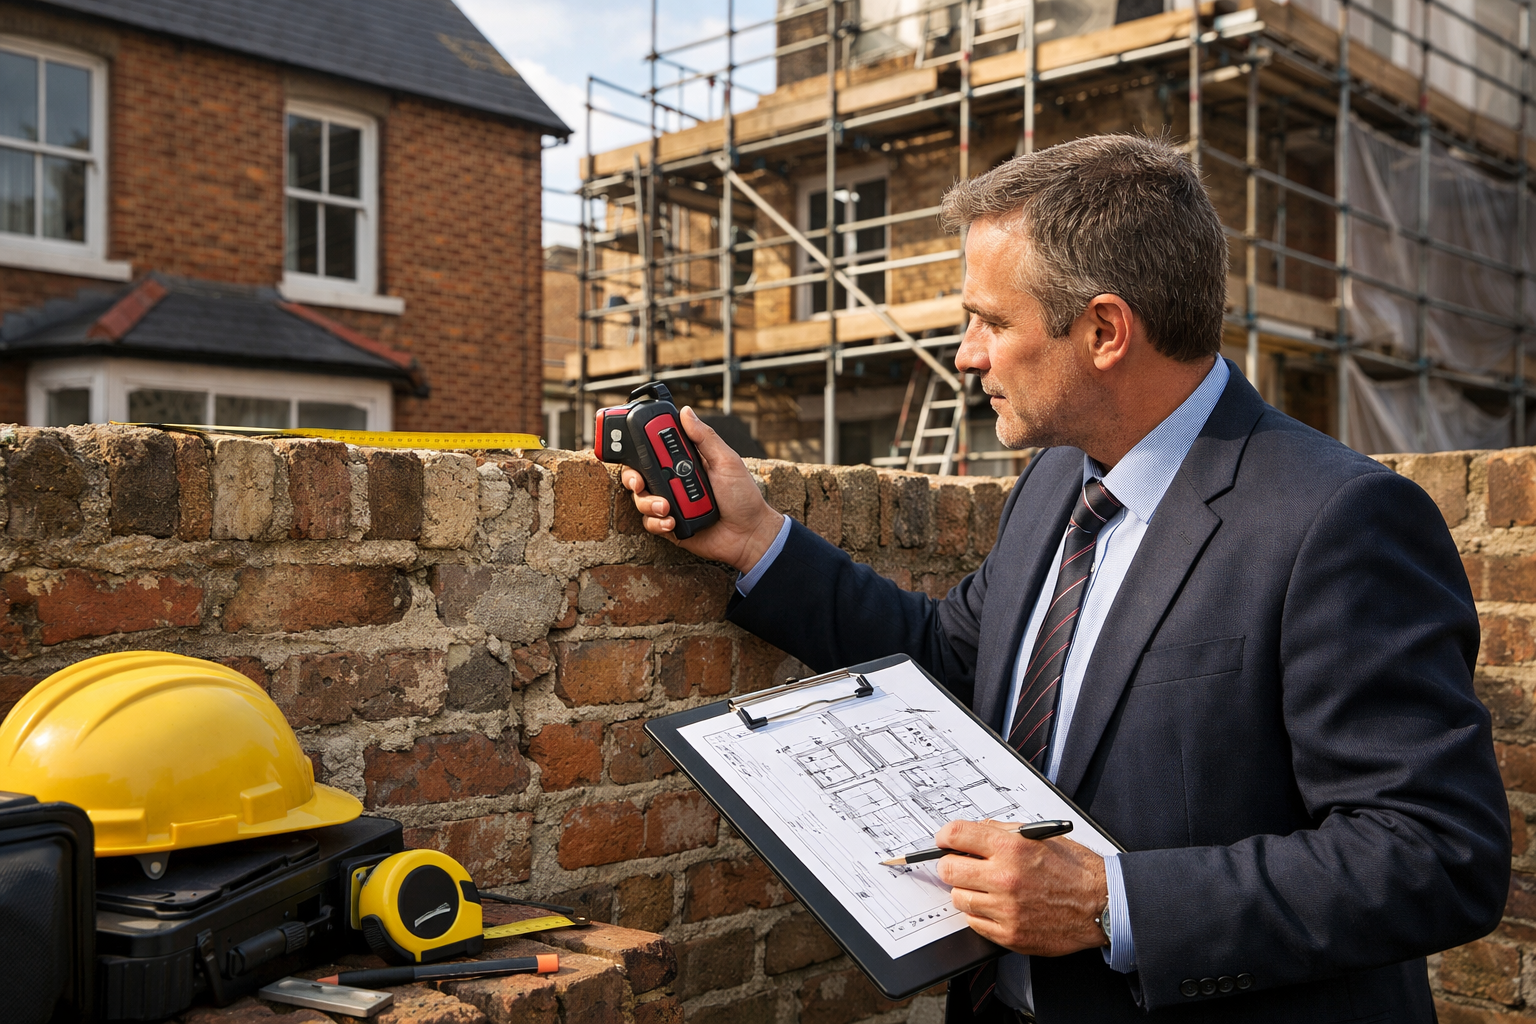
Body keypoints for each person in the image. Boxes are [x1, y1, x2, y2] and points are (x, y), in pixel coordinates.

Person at [621, 134, 1510, 1022]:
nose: (967, 355)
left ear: (1105, 329)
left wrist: (1107, 903)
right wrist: (756, 540)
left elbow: (1434, 853)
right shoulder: (1056, 482)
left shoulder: (1341, 520)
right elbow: (953, 660)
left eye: (992, 322)